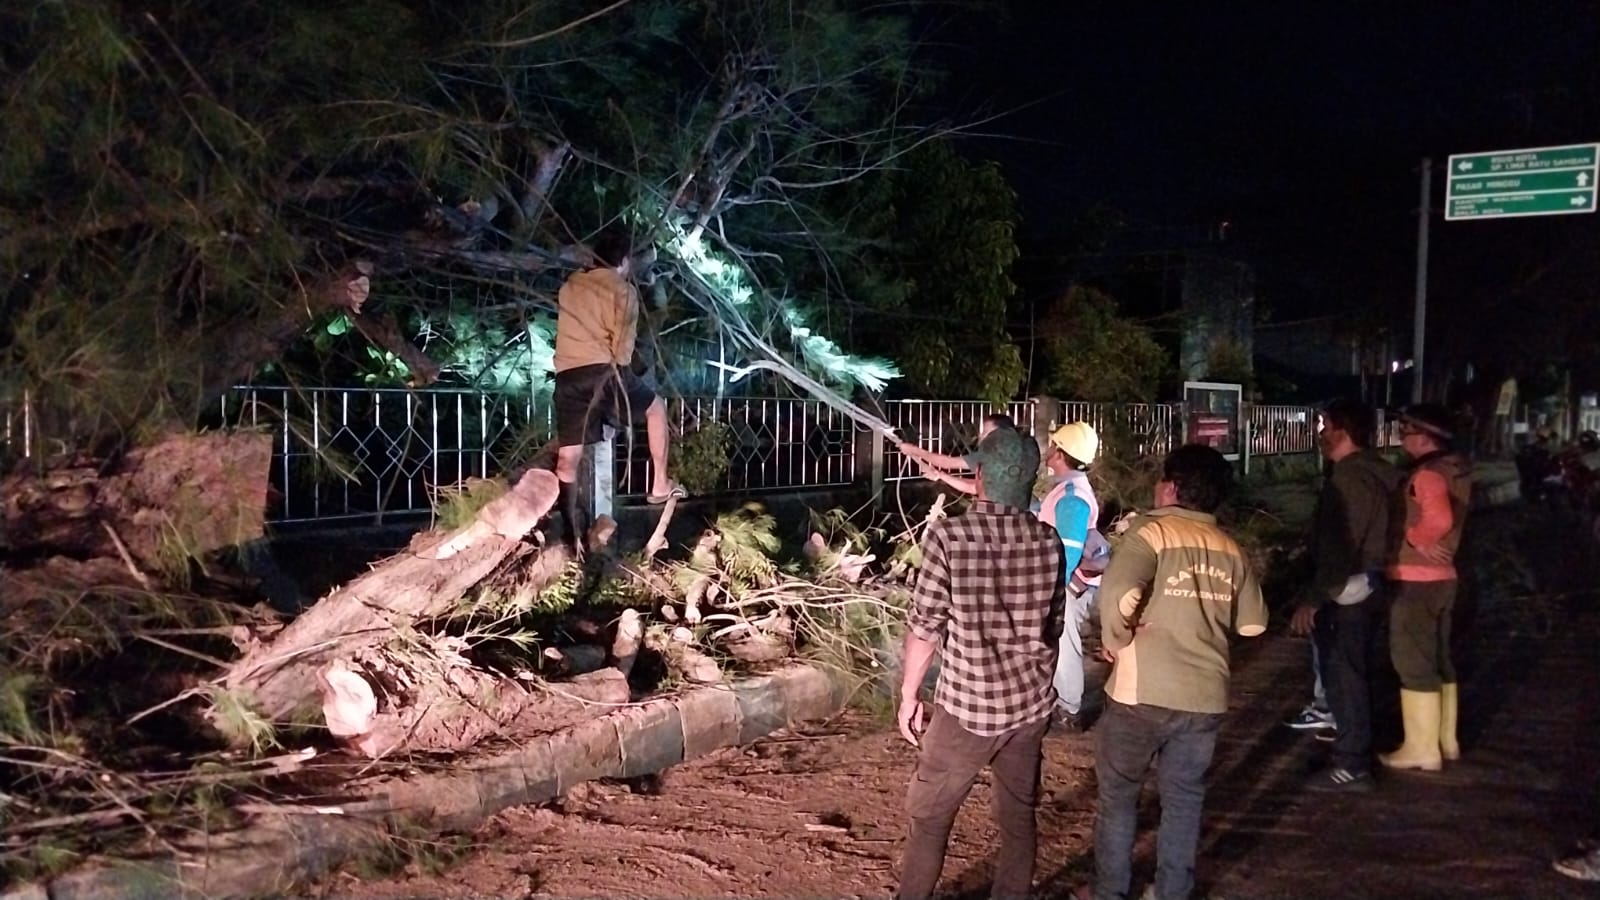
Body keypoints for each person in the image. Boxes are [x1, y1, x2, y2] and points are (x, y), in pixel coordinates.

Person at [1086, 444, 1268, 900]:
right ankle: (1172, 893)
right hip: (1204, 698)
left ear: (1170, 487)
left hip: (1139, 694)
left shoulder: (1150, 534)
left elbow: (1121, 593)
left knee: (1120, 800)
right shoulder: (1230, 549)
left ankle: (1111, 893)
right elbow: (1254, 623)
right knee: (1184, 802)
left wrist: (1117, 640)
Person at [895, 424, 1067, 900]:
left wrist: (910, 693)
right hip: (1029, 709)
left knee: (929, 821)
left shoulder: (949, 536)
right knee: (1018, 818)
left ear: (982, 476)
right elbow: (1054, 623)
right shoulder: (1048, 541)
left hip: (967, 711)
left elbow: (926, 626)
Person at [1288, 399, 1402, 792]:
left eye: (1325, 425)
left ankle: (1352, 764)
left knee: (1345, 677)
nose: (1320, 432)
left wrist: (1314, 598)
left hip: (1346, 590)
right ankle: (1355, 753)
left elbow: (1341, 545)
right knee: (1358, 673)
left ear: (1342, 429)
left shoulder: (1350, 479)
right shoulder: (1380, 473)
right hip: (1371, 584)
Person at [551, 228, 683, 550]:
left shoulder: (570, 286)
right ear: (623, 261)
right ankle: (660, 484)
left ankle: (569, 533)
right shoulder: (622, 291)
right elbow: (622, 353)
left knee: (568, 457)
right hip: (603, 375)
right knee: (655, 407)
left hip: (567, 376)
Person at [1380, 404, 1472, 772]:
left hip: (1415, 580)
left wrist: (1414, 537)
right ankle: (1444, 741)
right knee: (1439, 660)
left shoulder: (1428, 474)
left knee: (1412, 661)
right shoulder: (1457, 468)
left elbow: (1438, 518)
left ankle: (1420, 749)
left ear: (1424, 436)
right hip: (1445, 577)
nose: (1403, 439)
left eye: (1406, 432)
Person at [1036, 422, 1108, 730]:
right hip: (1070, 583)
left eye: (1053, 444)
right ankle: (1065, 702)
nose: (1048, 449)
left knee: (1065, 643)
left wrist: (1054, 589)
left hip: (1067, 585)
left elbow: (1069, 549)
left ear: (1060, 452)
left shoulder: (1071, 495)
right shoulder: (1069, 490)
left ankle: (1069, 708)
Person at [900, 413, 1039, 501]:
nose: (982, 436)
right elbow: (975, 487)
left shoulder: (990, 455)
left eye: (986, 432)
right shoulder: (1024, 450)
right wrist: (940, 475)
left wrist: (914, 450)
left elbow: (946, 462)